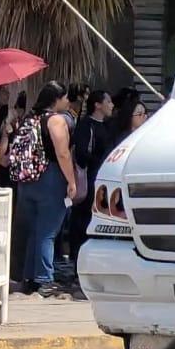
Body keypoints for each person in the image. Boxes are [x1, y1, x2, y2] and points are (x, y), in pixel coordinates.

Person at [12, 81, 78, 296]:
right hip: (50, 177)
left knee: (32, 231)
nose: (68, 102)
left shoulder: (29, 118)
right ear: (57, 99)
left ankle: (28, 278)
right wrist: (72, 181)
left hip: (26, 178)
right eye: (66, 98)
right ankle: (45, 278)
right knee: (47, 232)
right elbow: (63, 154)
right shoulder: (56, 120)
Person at [69, 90, 114, 263]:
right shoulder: (86, 125)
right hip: (89, 178)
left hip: (103, 180)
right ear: (98, 105)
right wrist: (99, 161)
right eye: (108, 101)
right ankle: (77, 257)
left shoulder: (107, 125)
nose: (111, 105)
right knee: (82, 218)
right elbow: (81, 153)